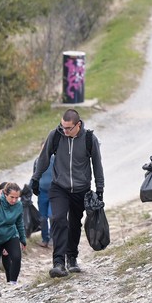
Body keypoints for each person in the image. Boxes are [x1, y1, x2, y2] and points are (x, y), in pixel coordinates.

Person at [31, 108, 105, 278]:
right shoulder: (55, 136)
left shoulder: (89, 139)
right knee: (57, 219)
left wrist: (100, 189)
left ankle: (72, 257)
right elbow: (43, 158)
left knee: (74, 224)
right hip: (59, 187)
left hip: (81, 189)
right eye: (62, 127)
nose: (64, 131)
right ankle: (58, 262)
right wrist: (36, 178)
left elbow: (97, 165)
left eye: (68, 128)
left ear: (78, 125)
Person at [33, 149, 54, 248]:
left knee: (52, 216)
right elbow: (34, 176)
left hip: (54, 193)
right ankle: (45, 239)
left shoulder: (55, 160)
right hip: (42, 193)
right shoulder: (37, 161)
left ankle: (53, 238)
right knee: (42, 218)